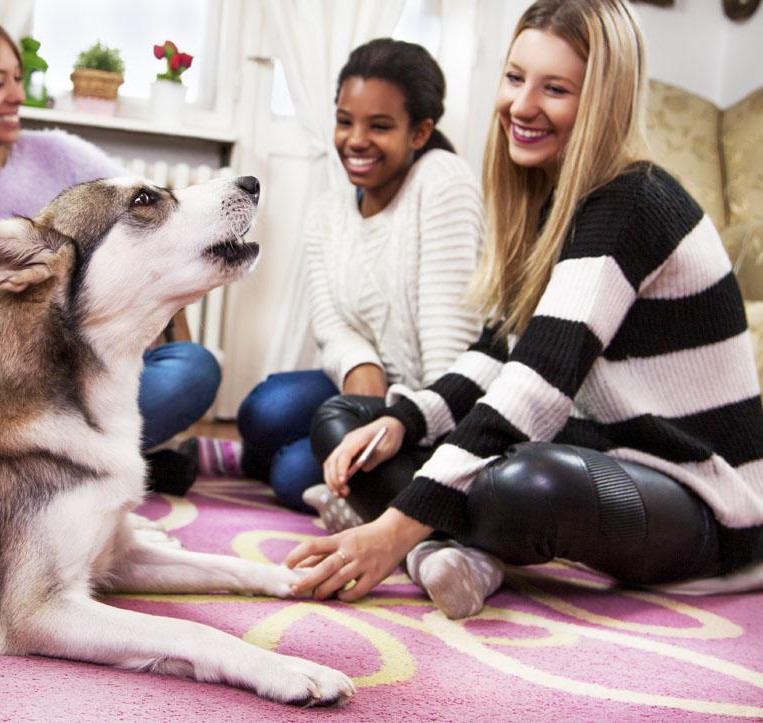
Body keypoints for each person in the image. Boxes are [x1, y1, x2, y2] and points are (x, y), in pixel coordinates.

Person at [287, 0, 763, 618]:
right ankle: (449, 552)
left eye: (555, 88)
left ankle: (428, 540)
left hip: (705, 502)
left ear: (602, 100)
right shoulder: (553, 203)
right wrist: (403, 421)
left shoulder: (632, 202)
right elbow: (496, 354)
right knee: (354, 423)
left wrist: (393, 529)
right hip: (608, 449)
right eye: (515, 78)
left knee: (530, 483)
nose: (522, 106)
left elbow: (535, 386)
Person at [0, 7, 218, 491]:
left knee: (192, 369)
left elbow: (154, 216)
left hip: (89, 372)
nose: (18, 96)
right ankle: (115, 465)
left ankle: (55, 468)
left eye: (18, 78)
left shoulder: (61, 154)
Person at [199, 39, 484, 512]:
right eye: (345, 121)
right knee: (262, 410)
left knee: (291, 473)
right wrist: (360, 368)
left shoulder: (443, 181)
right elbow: (331, 323)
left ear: (419, 132)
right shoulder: (328, 212)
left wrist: (406, 422)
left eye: (380, 126)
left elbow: (449, 357)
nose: (354, 140)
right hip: (359, 390)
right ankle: (285, 464)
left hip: (429, 407)